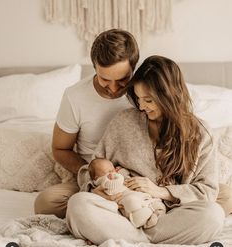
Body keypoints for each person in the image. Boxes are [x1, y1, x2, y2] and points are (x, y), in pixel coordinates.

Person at [66, 55, 227, 245]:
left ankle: (128, 240)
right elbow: (91, 168)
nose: (142, 106)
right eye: (138, 98)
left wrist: (161, 192)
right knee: (78, 205)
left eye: (148, 100)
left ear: (169, 97)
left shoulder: (200, 133)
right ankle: (140, 240)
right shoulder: (124, 122)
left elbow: (207, 191)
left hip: (172, 217)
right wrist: (98, 188)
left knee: (213, 215)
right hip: (123, 214)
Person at [34, 29, 140, 218]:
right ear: (94, 67)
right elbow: (60, 148)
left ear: (134, 67)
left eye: (123, 79)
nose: (114, 88)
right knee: (45, 203)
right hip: (92, 178)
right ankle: (116, 208)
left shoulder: (146, 92)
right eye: (105, 79)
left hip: (138, 177)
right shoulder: (75, 96)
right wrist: (92, 177)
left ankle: (108, 208)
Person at [85, 158, 166, 228]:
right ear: (97, 178)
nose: (113, 172)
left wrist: (122, 171)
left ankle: (157, 211)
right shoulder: (104, 182)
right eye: (109, 171)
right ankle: (146, 217)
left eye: (113, 169)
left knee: (156, 200)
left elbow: (125, 175)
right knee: (132, 203)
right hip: (126, 200)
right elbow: (101, 187)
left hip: (140, 194)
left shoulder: (119, 174)